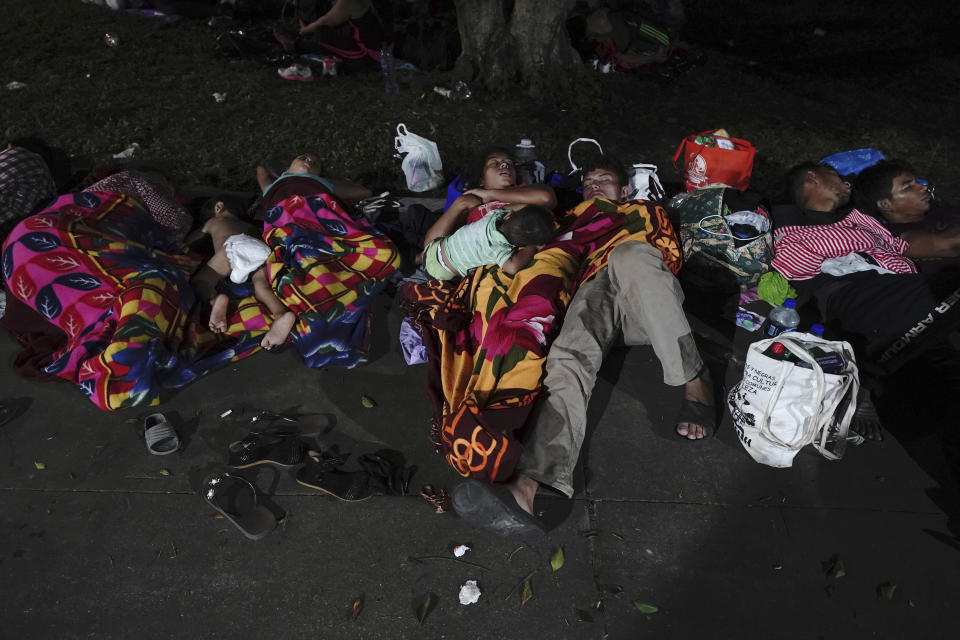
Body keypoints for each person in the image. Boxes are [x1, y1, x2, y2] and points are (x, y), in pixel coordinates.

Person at [451, 157, 715, 539]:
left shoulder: (643, 211)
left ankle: (694, 379)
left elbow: (664, 259)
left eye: (604, 180)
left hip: (644, 298)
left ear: (624, 190)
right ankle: (531, 486)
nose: (594, 185)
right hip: (594, 293)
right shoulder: (569, 220)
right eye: (589, 182)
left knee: (630, 255)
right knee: (567, 358)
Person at [189, 198, 297, 350]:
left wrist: (184, 244)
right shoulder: (248, 225)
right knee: (261, 286)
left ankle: (215, 300)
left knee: (202, 281)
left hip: (234, 245)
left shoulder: (214, 221)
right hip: (260, 249)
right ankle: (280, 314)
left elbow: (193, 240)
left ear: (218, 207)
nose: (205, 220)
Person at [854, 160, 960, 272]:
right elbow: (951, 243)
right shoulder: (894, 241)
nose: (923, 187)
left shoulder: (941, 212)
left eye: (916, 182)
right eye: (907, 187)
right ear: (885, 204)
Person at [421, 204, 554, 281]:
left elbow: (513, 210)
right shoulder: (498, 248)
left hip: (433, 248)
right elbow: (512, 267)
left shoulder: (494, 215)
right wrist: (533, 247)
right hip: (441, 272)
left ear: (509, 216)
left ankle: (417, 259)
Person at [256, 152, 372, 216]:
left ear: (318, 174)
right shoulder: (273, 188)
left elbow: (365, 192)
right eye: (303, 158)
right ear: (287, 168)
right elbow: (262, 172)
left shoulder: (318, 183)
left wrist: (321, 182)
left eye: (314, 164)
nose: (309, 161)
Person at [298, 0, 385, 63]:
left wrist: (304, 31)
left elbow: (325, 21)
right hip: (379, 48)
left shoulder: (349, 2)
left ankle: (297, 46)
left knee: (320, 34)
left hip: (368, 54)